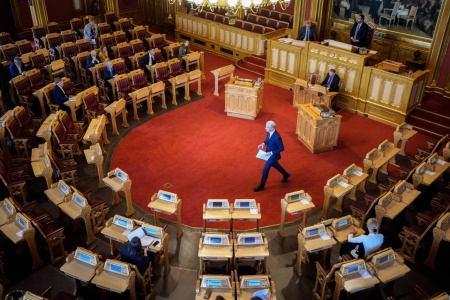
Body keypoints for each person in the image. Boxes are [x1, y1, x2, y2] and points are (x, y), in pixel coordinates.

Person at [254, 121, 290, 192]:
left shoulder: (277, 137)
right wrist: (263, 144)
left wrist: (271, 152)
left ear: (272, 128)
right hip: (269, 153)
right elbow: (267, 140)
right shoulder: (269, 131)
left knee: (265, 168)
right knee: (275, 165)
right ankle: (286, 174)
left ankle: (261, 185)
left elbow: (282, 148)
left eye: (267, 127)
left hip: (273, 155)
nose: (265, 128)